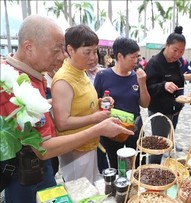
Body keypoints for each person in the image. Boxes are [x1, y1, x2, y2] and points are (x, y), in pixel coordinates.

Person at [0, 15, 133, 203]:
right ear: (29, 47)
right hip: (25, 174)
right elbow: (43, 148)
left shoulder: (35, 76)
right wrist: (99, 126)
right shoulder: (10, 84)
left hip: (41, 169)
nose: (62, 56)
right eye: (56, 50)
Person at [51, 24, 118, 184]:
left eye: (95, 51)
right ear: (70, 50)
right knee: (81, 193)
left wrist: (100, 102)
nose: (93, 57)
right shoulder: (64, 80)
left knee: (91, 190)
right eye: (87, 52)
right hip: (76, 151)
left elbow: (80, 103)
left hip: (88, 144)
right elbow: (62, 123)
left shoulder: (80, 72)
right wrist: (96, 117)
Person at [94, 37, 150, 171]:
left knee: (138, 164)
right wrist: (103, 102)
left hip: (134, 128)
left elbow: (145, 104)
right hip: (112, 129)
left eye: (137, 57)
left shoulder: (137, 76)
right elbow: (95, 104)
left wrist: (142, 84)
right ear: (120, 56)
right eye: (133, 57)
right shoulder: (103, 76)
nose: (136, 61)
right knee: (115, 164)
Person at [145, 26, 187, 164]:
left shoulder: (177, 62)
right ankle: (153, 168)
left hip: (174, 107)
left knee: (168, 136)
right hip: (159, 109)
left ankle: (167, 152)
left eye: (181, 51)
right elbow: (147, 88)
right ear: (166, 45)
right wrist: (163, 85)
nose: (178, 54)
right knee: (158, 143)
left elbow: (179, 81)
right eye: (175, 50)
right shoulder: (154, 63)